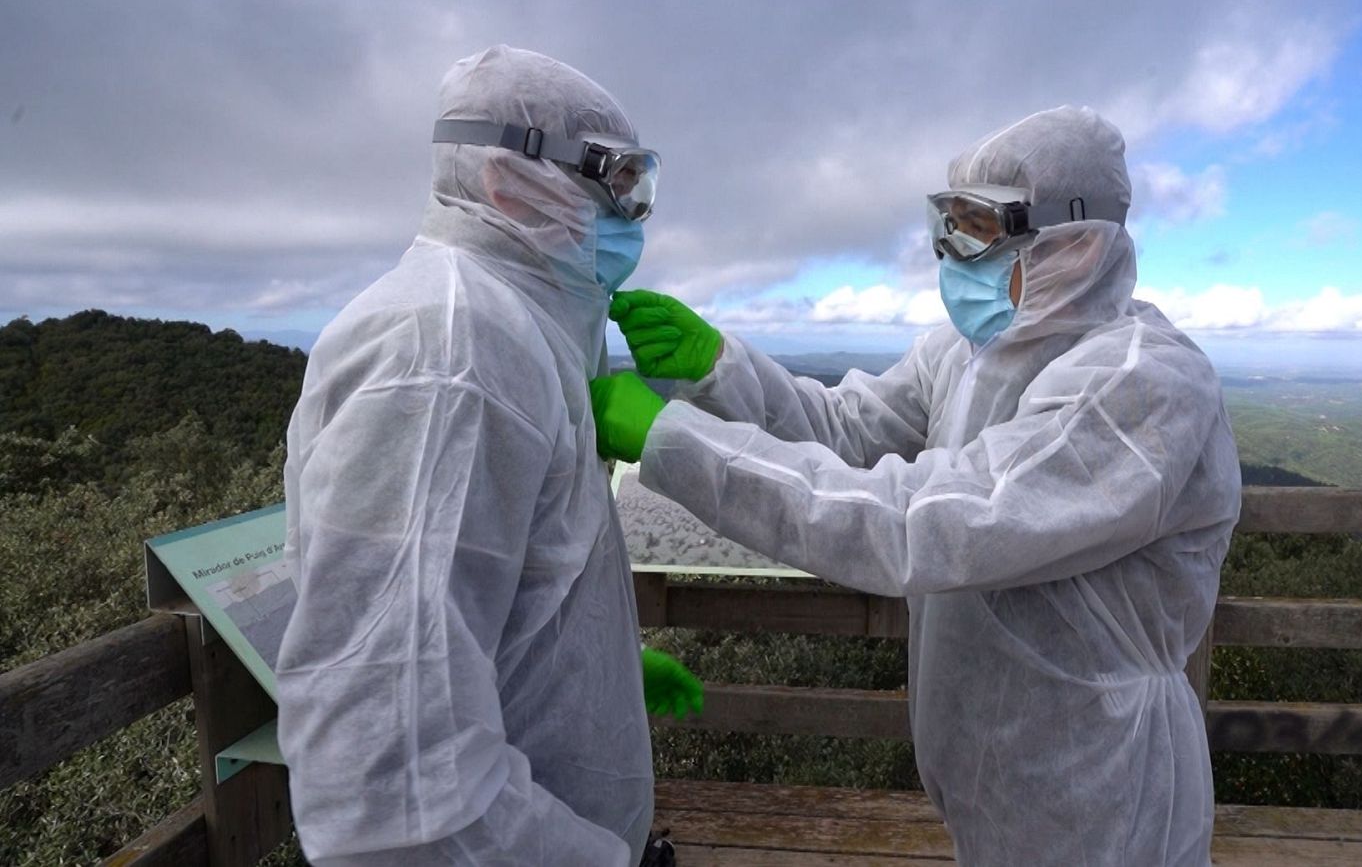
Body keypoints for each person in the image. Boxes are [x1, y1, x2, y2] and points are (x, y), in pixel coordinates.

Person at [590, 106, 1241, 866]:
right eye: (947, 225)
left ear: (1077, 240)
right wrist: (717, 369)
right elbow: (845, 433)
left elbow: (923, 524)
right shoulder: (968, 352)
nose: (952, 257)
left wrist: (672, 441)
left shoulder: (1142, 385)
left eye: (977, 229)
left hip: (1102, 789)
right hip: (995, 779)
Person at [276, 45, 699, 867]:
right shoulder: (448, 354)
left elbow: (476, 593)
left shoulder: (510, 328)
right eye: (615, 180)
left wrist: (596, 662)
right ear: (506, 179)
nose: (632, 215)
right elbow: (394, 780)